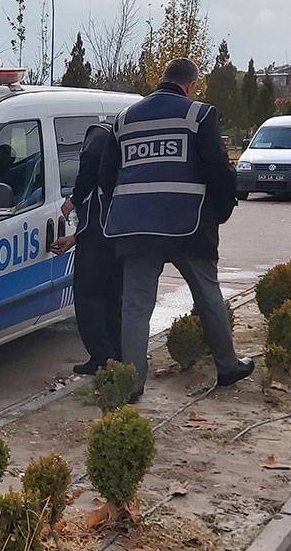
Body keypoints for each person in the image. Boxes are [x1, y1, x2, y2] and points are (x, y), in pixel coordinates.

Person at [101, 56, 253, 399]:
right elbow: (217, 170)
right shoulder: (198, 114)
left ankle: (132, 383)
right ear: (190, 86)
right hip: (188, 224)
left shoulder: (124, 119)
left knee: (136, 306)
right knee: (207, 294)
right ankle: (227, 366)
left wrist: (126, 207)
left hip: (135, 227)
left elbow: (107, 175)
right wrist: (221, 211)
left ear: (163, 80)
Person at [56, 121, 122, 375]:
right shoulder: (120, 137)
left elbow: (91, 177)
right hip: (119, 234)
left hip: (99, 236)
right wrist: (75, 238)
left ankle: (101, 358)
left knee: (88, 295)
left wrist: (73, 199)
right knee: (114, 298)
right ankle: (118, 355)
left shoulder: (98, 136)